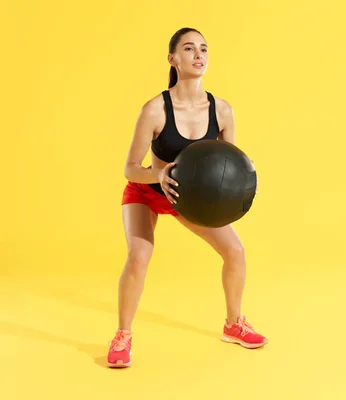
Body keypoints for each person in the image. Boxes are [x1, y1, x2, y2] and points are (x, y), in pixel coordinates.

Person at [106, 27, 268, 368]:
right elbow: (131, 168)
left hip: (190, 199)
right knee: (139, 256)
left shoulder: (222, 110)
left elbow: (229, 162)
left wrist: (246, 172)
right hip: (148, 189)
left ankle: (233, 324)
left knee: (236, 252)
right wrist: (158, 176)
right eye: (190, 48)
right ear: (173, 59)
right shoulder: (154, 109)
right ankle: (123, 335)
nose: (199, 55)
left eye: (204, 49)